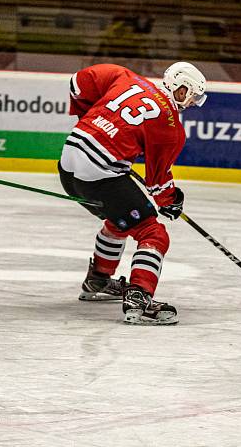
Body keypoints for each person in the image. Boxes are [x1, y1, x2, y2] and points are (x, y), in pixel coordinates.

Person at [58, 62, 207, 325]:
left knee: (121, 218)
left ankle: (98, 281)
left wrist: (88, 121)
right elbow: (158, 183)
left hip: (68, 165)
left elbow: (77, 83)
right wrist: (171, 201)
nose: (191, 103)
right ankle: (139, 298)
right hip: (98, 174)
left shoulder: (124, 77)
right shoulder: (171, 124)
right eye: (192, 95)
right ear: (180, 89)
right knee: (153, 233)